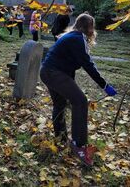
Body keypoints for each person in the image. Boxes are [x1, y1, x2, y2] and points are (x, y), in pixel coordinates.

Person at [40, 13, 117, 167]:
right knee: (81, 101)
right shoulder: (78, 39)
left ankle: (60, 138)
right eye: (92, 26)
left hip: (47, 72)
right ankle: (79, 145)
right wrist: (104, 85)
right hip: (55, 73)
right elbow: (88, 65)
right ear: (88, 27)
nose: (93, 30)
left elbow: (68, 64)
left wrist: (71, 87)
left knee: (60, 104)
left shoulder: (69, 35)